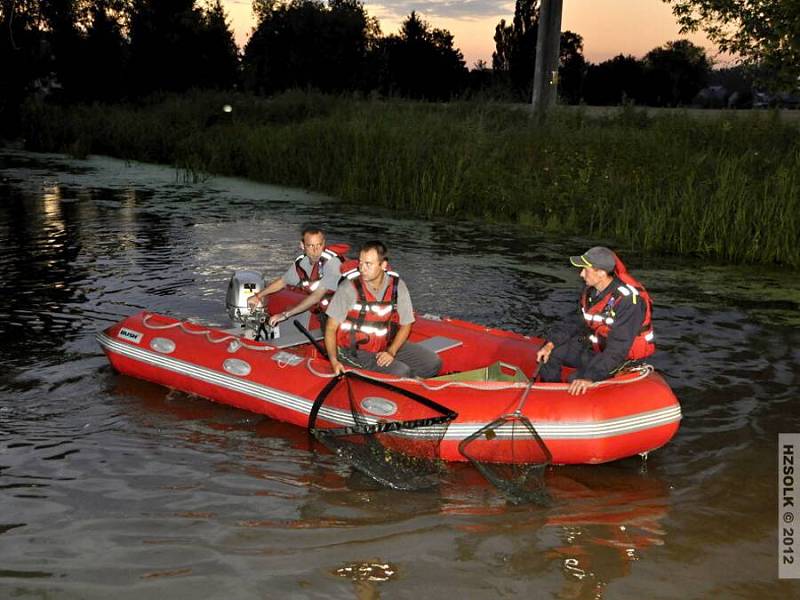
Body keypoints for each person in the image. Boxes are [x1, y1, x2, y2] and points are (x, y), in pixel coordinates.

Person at [537, 246, 655, 395]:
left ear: (600, 273)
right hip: (598, 349)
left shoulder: (628, 301)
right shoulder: (591, 292)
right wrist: (550, 343)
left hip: (622, 359)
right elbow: (574, 321)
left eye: (585, 270)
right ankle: (549, 395)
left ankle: (568, 402)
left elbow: (618, 348)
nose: (581, 274)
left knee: (576, 380)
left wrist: (589, 377)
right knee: (551, 353)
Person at [324, 240, 442, 379]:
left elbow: (406, 324)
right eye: (360, 263)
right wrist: (333, 361)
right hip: (353, 351)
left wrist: (391, 351)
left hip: (385, 344)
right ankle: (405, 382)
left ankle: (412, 382)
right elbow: (331, 328)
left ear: (383, 265)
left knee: (433, 363)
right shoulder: (348, 289)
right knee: (400, 372)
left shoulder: (398, 287)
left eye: (368, 264)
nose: (362, 268)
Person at [247, 226, 344, 328]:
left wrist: (285, 315)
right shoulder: (302, 263)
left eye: (319, 245)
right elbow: (283, 281)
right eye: (310, 246)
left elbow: (316, 297)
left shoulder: (332, 263)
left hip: (341, 314)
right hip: (322, 310)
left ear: (324, 243)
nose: (316, 250)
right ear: (302, 246)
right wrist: (258, 296)